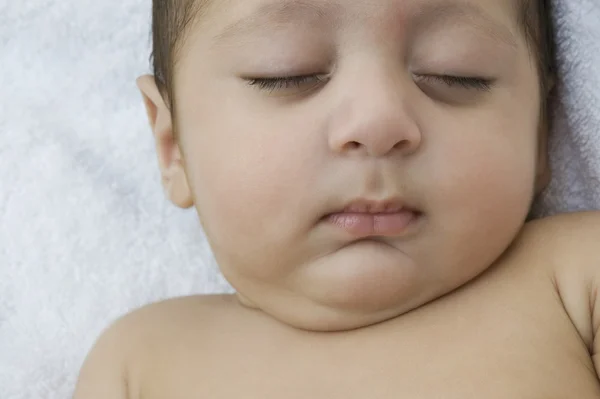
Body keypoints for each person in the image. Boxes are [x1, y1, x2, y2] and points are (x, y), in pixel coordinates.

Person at [74, 0, 600, 397]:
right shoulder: (141, 360)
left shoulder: (571, 277)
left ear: (539, 133)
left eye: (456, 74)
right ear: (173, 149)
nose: (377, 121)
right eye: (286, 74)